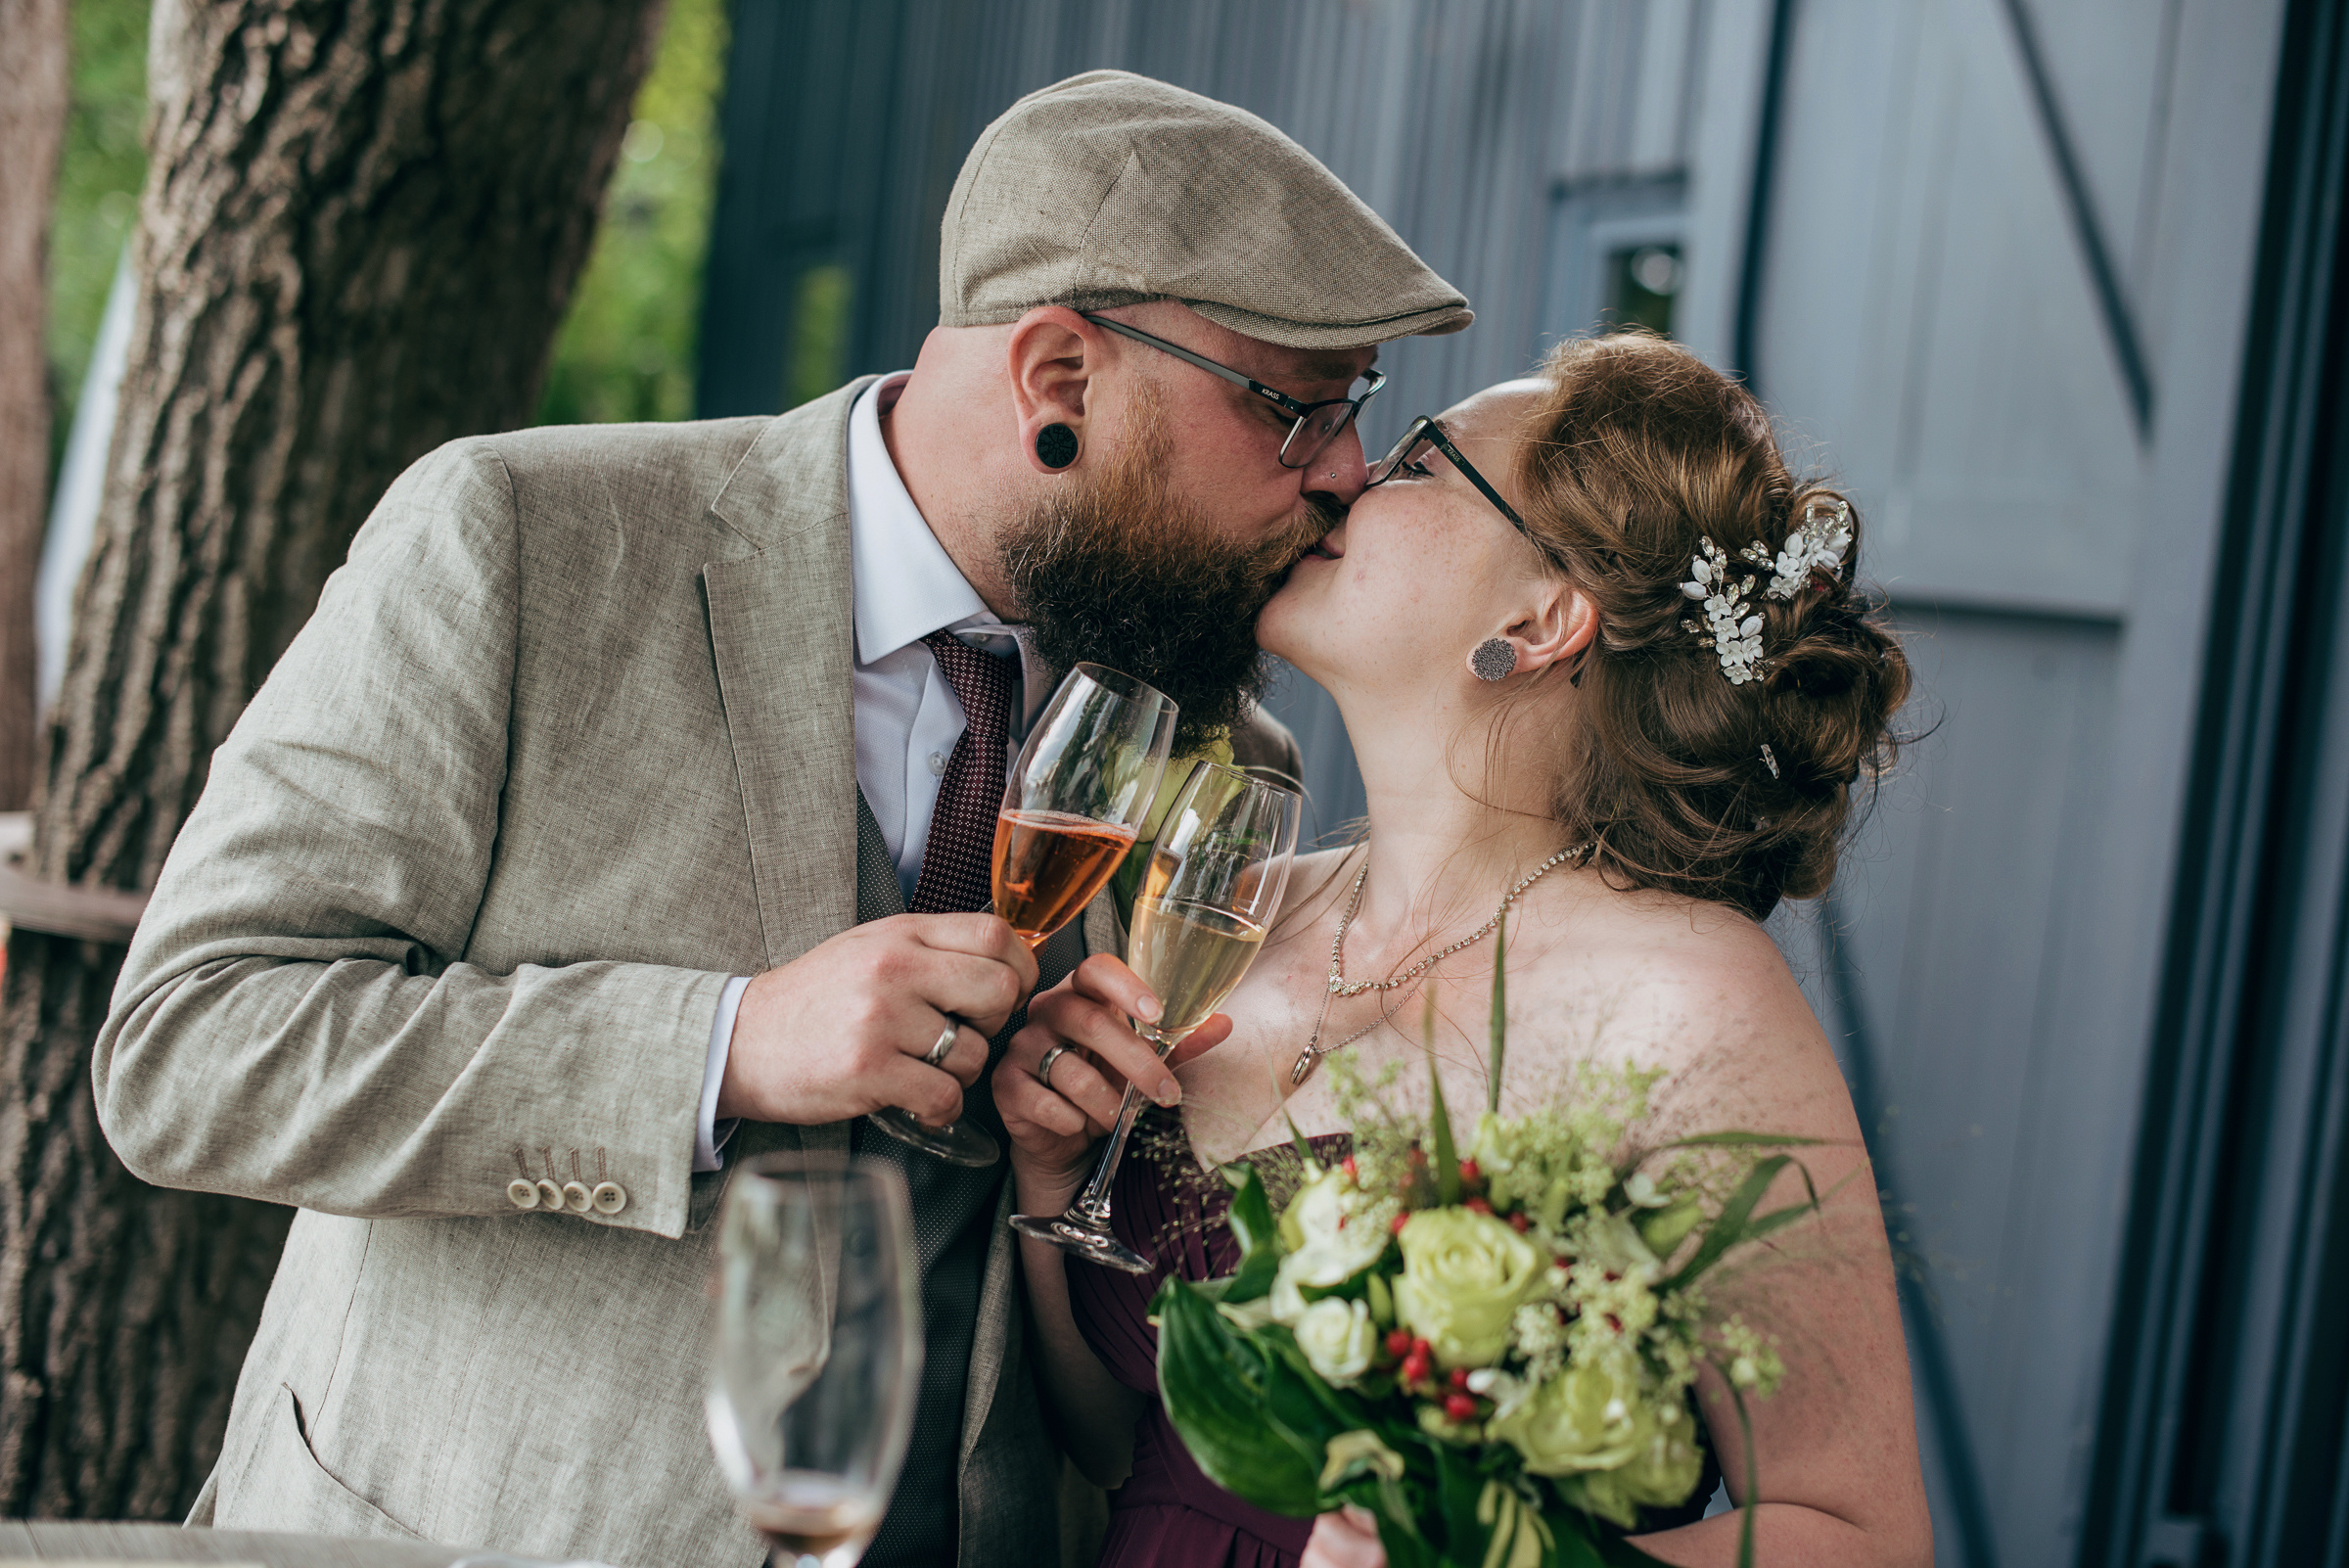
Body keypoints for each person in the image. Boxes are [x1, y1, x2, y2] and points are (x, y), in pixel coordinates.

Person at [91, 71, 1471, 1568]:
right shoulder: (521, 544)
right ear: (1059, 378)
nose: (1343, 470)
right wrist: (721, 1041)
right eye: (1294, 408)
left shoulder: (1221, 752)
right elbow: (187, 1046)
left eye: (1358, 411)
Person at [996, 332, 1934, 1567]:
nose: (1347, 473)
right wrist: (1050, 1176)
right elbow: (1119, 1447)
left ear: (1542, 618)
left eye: (1425, 462)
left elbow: (1862, 1535)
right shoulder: (1229, 915)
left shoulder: (1687, 998)